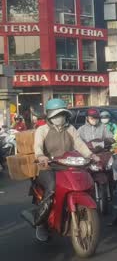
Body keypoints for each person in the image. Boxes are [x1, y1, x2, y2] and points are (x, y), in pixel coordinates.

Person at [32, 99, 98, 241]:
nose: (59, 117)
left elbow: (80, 145)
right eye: (56, 115)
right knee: (51, 188)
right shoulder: (42, 130)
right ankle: (41, 223)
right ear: (49, 115)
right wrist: (41, 156)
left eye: (62, 114)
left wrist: (91, 155)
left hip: (68, 164)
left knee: (87, 180)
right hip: (48, 166)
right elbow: (37, 146)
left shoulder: (71, 129)